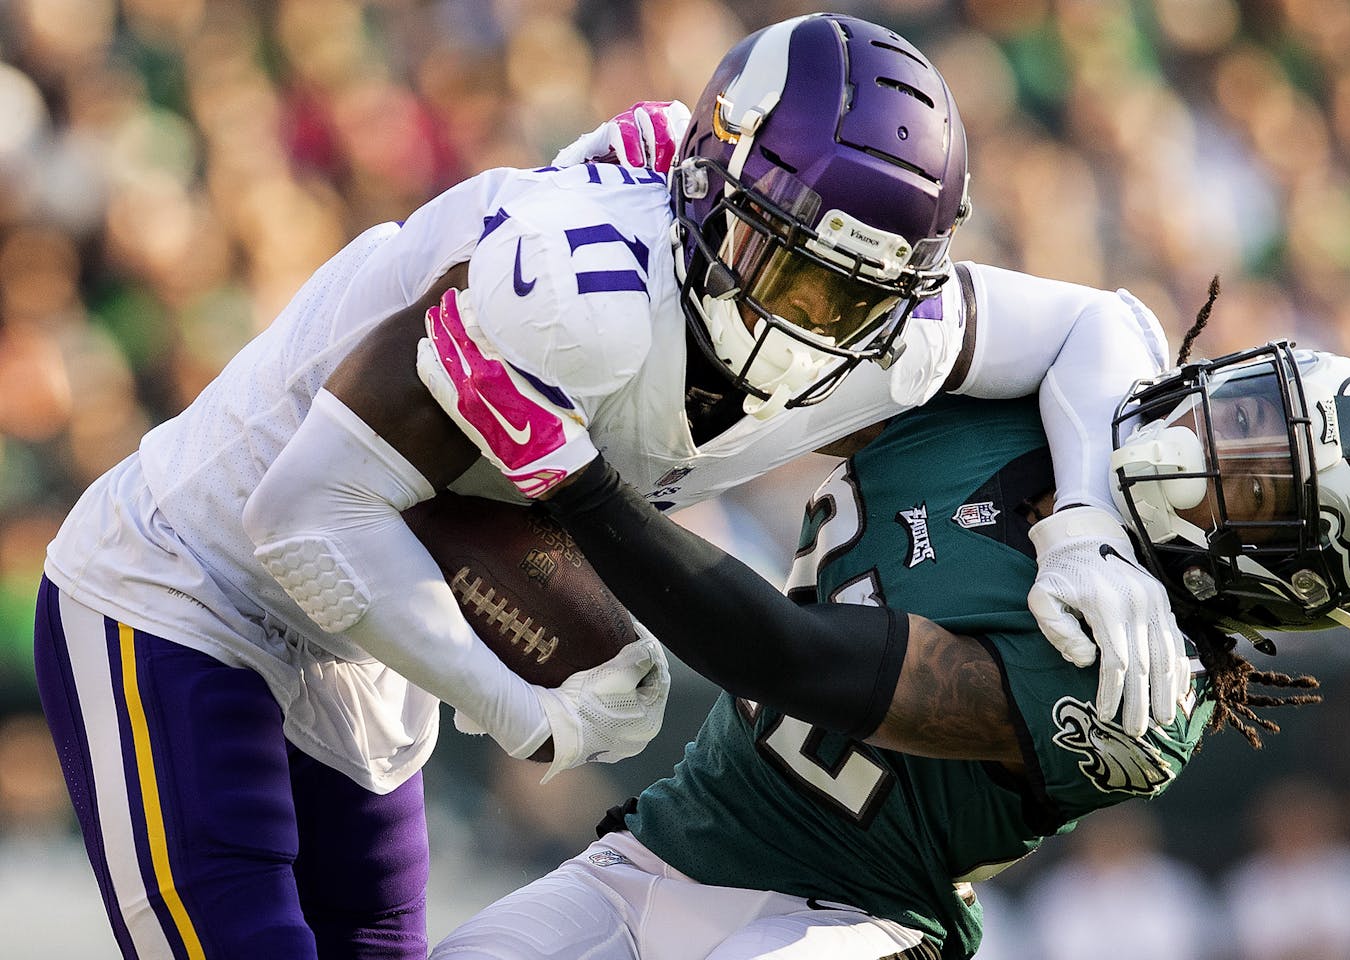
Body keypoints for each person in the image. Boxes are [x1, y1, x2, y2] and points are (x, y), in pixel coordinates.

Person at [35, 12, 1186, 958]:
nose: (796, 320)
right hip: (191, 581)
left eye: (839, 295)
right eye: (777, 263)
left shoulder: (895, 327)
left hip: (371, 632)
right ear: (705, 192)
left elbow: (1107, 324)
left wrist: (1089, 525)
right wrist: (522, 713)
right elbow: (296, 514)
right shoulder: (579, 290)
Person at [430, 331, 1350, 958]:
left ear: (1273, 576)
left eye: (1249, 485)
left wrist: (572, 482)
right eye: (1240, 414)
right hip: (664, 847)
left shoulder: (1140, 687)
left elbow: (790, 658)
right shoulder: (1024, 405)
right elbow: (1084, 316)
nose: (1205, 443)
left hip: (841, 925)